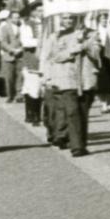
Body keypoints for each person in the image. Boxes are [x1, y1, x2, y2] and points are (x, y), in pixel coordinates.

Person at [39, 12, 95, 157]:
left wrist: (85, 43)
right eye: (65, 18)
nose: (68, 21)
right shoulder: (55, 36)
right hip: (66, 80)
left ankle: (81, 143)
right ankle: (76, 147)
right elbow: (54, 56)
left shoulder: (91, 34)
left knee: (83, 113)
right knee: (72, 111)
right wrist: (75, 48)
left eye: (71, 18)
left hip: (85, 79)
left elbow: (97, 54)